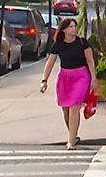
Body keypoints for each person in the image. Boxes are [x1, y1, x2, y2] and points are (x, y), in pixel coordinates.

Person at [40, 18, 97, 150]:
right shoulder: (58, 44)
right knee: (66, 110)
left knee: (74, 108)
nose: (74, 29)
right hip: (65, 77)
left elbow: (90, 61)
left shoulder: (82, 42)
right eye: (71, 26)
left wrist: (93, 78)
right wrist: (44, 80)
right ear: (64, 29)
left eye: (74, 26)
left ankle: (70, 142)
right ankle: (73, 134)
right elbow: (50, 63)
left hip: (81, 76)